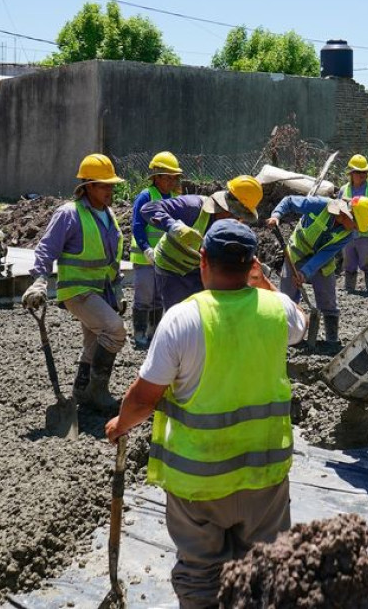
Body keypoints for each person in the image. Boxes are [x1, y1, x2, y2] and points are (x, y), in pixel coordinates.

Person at [106, 220, 307, 609]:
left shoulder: (183, 319)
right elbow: (302, 320)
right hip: (263, 476)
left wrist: (120, 424)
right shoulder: (276, 310)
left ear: (203, 261)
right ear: (251, 263)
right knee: (266, 572)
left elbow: (145, 397)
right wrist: (263, 281)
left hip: (198, 482)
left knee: (200, 576)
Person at [22, 153, 128, 411]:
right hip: (78, 291)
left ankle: (81, 391)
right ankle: (98, 391)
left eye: (112, 185)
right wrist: (39, 281)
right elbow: (47, 249)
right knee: (115, 331)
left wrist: (117, 290)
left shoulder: (108, 214)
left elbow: (110, 258)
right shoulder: (69, 214)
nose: (110, 190)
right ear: (88, 186)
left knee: (94, 341)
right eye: (104, 185)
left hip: (100, 291)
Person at [141, 175, 263, 318]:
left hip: (197, 270)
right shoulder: (193, 207)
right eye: (236, 215)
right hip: (171, 268)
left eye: (241, 217)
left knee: (204, 314)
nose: (237, 220)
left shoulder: (231, 224)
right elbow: (149, 208)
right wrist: (173, 227)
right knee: (179, 316)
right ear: (226, 207)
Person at [266, 193, 368, 347]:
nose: (356, 230)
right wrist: (276, 216)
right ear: (348, 215)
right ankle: (286, 336)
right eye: (356, 225)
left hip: (322, 262)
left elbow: (325, 254)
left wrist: (305, 273)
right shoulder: (322, 205)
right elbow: (289, 201)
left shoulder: (348, 234)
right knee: (287, 298)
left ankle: (331, 341)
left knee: (328, 300)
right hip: (296, 254)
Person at [130, 151, 183, 350]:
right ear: (157, 177)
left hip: (164, 258)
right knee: (144, 297)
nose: (172, 181)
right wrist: (146, 248)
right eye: (168, 177)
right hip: (145, 258)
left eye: (174, 177)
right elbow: (137, 225)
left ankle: (154, 333)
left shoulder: (175, 198)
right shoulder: (146, 196)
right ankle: (140, 334)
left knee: (159, 297)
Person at [339, 154, 368, 294]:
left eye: (365, 172)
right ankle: (349, 289)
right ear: (351, 173)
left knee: (367, 262)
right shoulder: (344, 190)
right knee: (349, 263)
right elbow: (338, 210)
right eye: (359, 172)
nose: (363, 175)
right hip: (348, 234)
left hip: (366, 234)